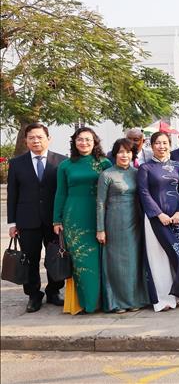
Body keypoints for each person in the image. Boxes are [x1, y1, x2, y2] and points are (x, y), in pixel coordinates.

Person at [138, 131, 179, 312]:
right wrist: (158, 214)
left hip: (177, 218)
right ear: (152, 146)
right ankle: (163, 298)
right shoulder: (145, 168)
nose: (161, 146)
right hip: (155, 219)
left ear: (170, 145)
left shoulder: (177, 166)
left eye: (165, 143)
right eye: (157, 143)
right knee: (159, 256)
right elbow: (144, 193)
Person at [7, 123, 66, 313]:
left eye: (40, 137)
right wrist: (12, 223)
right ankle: (33, 295)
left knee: (55, 256)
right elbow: (12, 194)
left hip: (54, 221)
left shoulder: (61, 161)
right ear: (26, 140)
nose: (36, 141)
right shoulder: (17, 163)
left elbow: (64, 192)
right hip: (27, 220)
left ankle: (54, 291)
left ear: (49, 139)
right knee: (30, 259)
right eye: (31, 137)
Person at [53, 127, 112, 314]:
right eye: (80, 139)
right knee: (81, 260)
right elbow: (60, 193)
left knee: (100, 259)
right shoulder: (65, 165)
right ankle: (86, 303)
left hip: (99, 215)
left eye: (88, 139)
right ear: (74, 142)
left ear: (95, 142)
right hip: (74, 217)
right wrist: (56, 220)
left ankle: (105, 301)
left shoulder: (104, 163)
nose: (84, 143)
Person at [96, 138, 150, 313]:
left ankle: (135, 299)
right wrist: (100, 229)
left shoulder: (138, 173)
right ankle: (117, 302)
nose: (124, 155)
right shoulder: (107, 174)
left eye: (127, 152)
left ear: (132, 154)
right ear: (115, 154)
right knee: (116, 263)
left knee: (134, 261)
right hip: (114, 222)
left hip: (135, 221)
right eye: (120, 152)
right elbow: (100, 203)